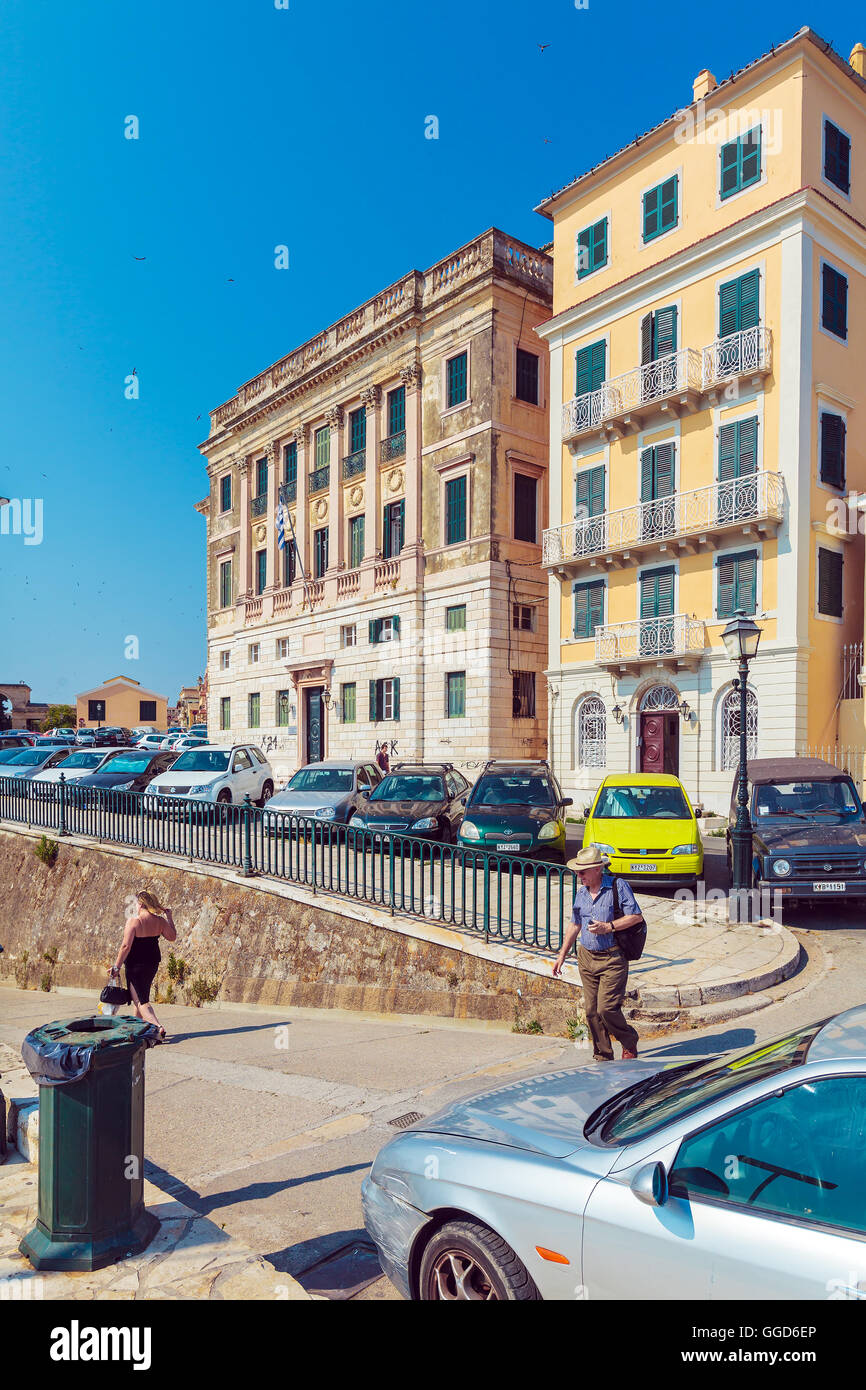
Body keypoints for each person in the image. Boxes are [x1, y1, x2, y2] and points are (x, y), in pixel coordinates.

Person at [552, 845, 641, 1062]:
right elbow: (575, 924)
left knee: (607, 1008)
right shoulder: (581, 893)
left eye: (583, 871)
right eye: (577, 871)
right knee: (591, 1011)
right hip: (587, 957)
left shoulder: (618, 887)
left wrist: (608, 926)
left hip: (613, 958)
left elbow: (636, 917)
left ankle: (629, 1040)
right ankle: (603, 1055)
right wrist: (562, 954)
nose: (578, 875)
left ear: (598, 870)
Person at [111, 890, 177, 1041]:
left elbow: (125, 946)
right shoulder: (160, 921)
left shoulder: (134, 921)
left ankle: (157, 1027)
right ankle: (136, 1030)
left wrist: (116, 967)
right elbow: (172, 937)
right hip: (152, 963)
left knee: (141, 1001)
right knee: (141, 997)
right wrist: (169, 917)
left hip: (135, 965)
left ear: (140, 904)